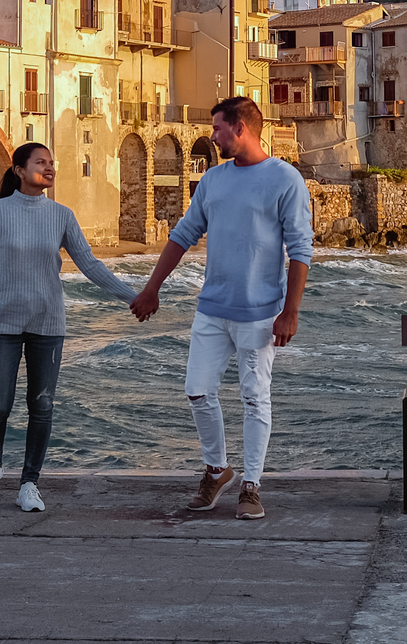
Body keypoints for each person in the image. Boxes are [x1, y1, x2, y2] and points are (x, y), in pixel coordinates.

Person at [129, 95, 313, 521]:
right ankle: (217, 469)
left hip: (261, 311)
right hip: (212, 308)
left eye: (217, 129)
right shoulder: (213, 180)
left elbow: (301, 249)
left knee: (255, 398)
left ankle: (251, 484)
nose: (212, 137)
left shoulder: (285, 179)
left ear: (241, 129)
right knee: (197, 390)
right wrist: (152, 288)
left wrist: (291, 311)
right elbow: (183, 234)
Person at [0, 142, 137, 511]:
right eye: (40, 162)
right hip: (2, 323)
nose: (50, 168)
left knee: (41, 405)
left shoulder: (62, 215)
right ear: (18, 170)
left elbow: (90, 265)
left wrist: (133, 297)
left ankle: (30, 483)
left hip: (48, 323)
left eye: (51, 163)